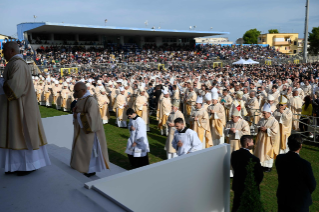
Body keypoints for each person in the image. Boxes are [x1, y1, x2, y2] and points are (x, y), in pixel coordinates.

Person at [0, 42, 51, 175]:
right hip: (14, 106)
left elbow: (16, 87)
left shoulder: (18, 64)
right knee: (14, 134)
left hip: (21, 107)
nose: (2, 53)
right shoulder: (14, 63)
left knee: (22, 134)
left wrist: (1, 83)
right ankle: (15, 165)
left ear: (11, 50)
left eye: (4, 50)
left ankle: (28, 165)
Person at [71, 82, 110, 177]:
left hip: (89, 131)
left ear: (84, 90)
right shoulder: (81, 99)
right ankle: (81, 166)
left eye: (76, 91)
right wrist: (76, 111)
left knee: (89, 150)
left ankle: (89, 170)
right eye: (74, 91)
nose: (75, 93)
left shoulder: (91, 100)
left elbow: (92, 117)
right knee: (82, 149)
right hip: (81, 129)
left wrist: (78, 115)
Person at [276, 134, 316, 212]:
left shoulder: (280, 158)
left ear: (288, 144)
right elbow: (312, 185)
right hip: (300, 202)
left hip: (284, 198)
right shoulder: (305, 164)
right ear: (300, 146)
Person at [231, 135, 264, 212]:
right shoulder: (254, 159)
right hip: (249, 188)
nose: (253, 143)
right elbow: (259, 176)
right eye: (252, 142)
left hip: (237, 185)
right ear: (248, 144)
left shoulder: (234, 154)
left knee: (236, 206)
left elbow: (234, 166)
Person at [254, 103, 280, 172]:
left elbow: (275, 132)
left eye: (264, 113)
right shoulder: (261, 120)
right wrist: (259, 128)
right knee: (261, 151)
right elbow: (256, 126)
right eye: (263, 113)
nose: (263, 114)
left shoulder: (274, 121)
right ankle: (262, 165)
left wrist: (266, 130)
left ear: (269, 113)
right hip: (261, 139)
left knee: (268, 152)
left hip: (269, 140)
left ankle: (268, 167)